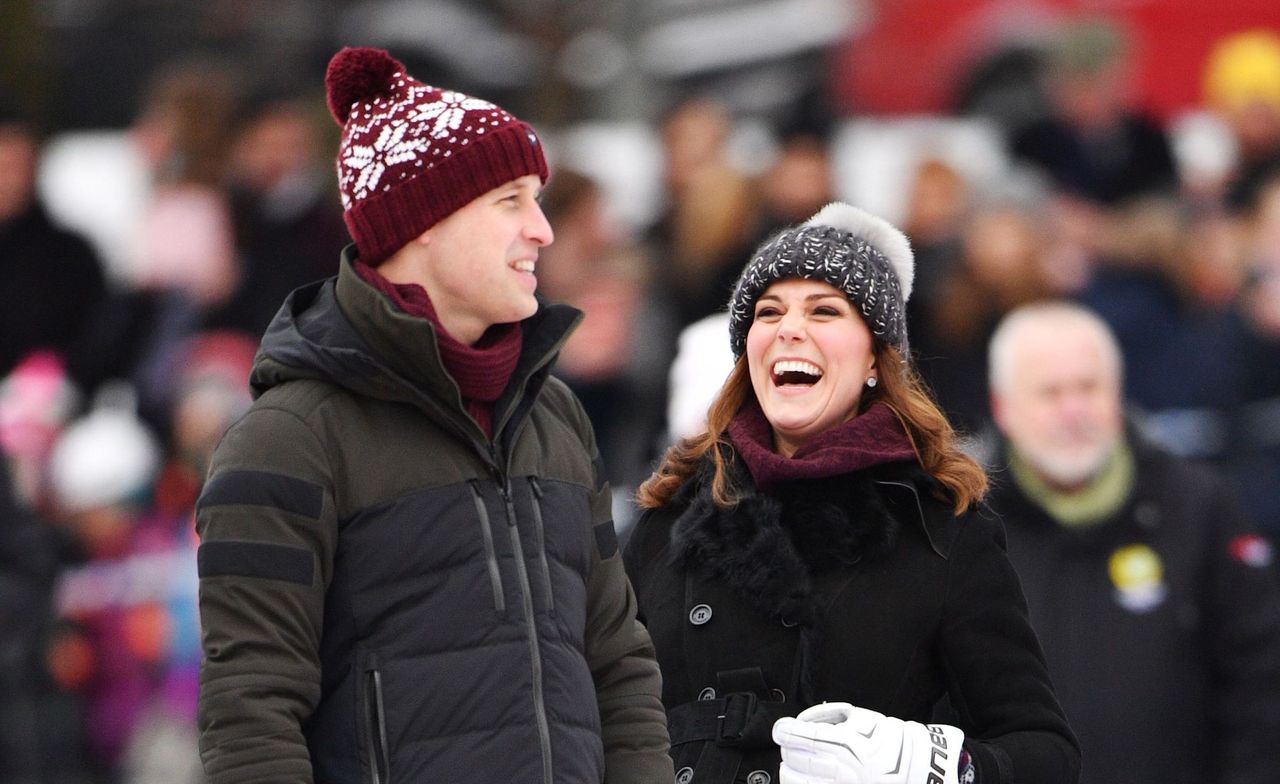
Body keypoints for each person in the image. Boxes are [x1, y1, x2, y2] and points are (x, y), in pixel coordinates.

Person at [194, 47, 671, 783]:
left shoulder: (554, 416)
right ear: (423, 225)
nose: (542, 231)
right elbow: (251, 716)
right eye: (510, 201)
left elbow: (618, 664)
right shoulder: (290, 441)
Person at [624, 203, 1081, 784]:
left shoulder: (939, 528)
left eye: (824, 310)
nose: (790, 328)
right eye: (769, 312)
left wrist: (935, 766)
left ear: (874, 356)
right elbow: (600, 718)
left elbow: (1044, 749)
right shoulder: (671, 516)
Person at [985, 301, 1280, 784]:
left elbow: (1259, 690)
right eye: (1050, 392)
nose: (1073, 410)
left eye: (1088, 387)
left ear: (1117, 393)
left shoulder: (1197, 506)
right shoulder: (964, 521)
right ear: (1004, 408)